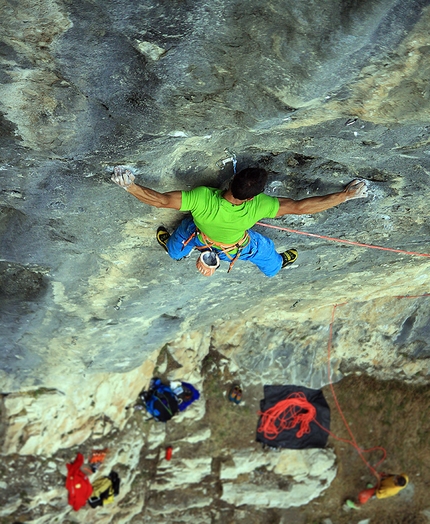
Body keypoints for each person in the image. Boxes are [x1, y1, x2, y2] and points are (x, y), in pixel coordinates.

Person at [111, 166, 368, 277]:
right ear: (253, 196)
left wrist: (129, 186)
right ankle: (281, 262)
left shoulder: (202, 198)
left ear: (230, 181)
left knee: (176, 252)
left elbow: (161, 201)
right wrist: (345, 195)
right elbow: (301, 207)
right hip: (236, 247)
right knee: (271, 263)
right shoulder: (261, 205)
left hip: (199, 235)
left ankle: (173, 246)